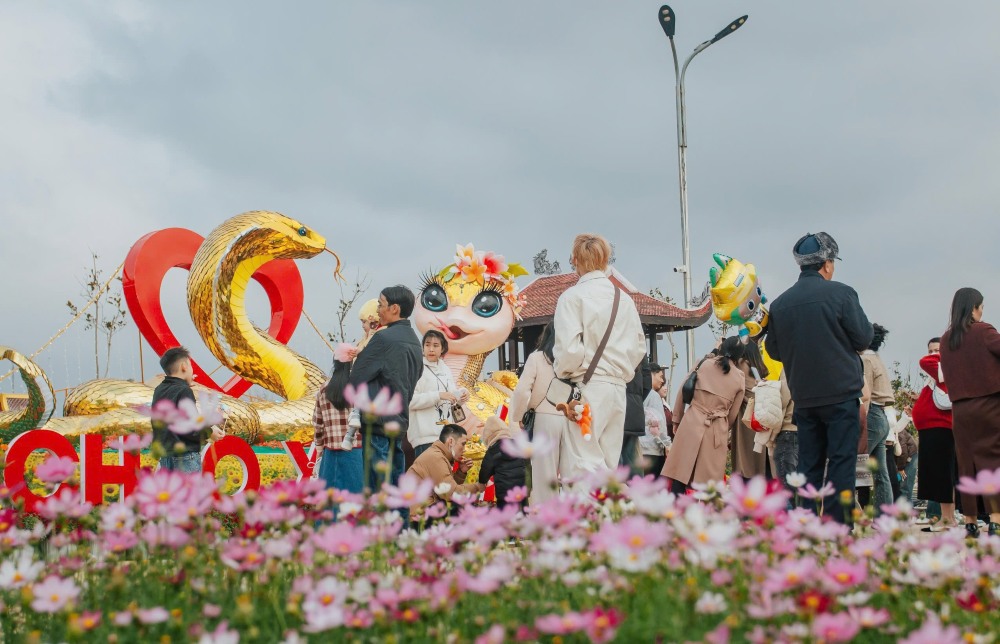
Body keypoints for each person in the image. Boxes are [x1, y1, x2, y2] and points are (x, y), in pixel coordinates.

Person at [765, 232, 873, 524]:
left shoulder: (780, 304)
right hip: (841, 395)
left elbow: (773, 350)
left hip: (804, 398)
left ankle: (809, 526)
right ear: (827, 264)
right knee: (841, 463)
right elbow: (863, 338)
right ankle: (837, 528)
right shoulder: (842, 294)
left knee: (809, 465)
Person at [552, 234, 646, 479]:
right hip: (618, 389)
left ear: (575, 260)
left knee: (583, 465)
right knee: (608, 465)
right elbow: (639, 348)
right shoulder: (624, 300)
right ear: (605, 260)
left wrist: (563, 371)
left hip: (588, 387)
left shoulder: (571, 297)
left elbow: (569, 351)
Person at [346, 285, 423, 491]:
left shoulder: (383, 338)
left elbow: (356, 377)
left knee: (377, 486)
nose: (378, 310)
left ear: (394, 308)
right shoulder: (415, 342)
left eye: (381, 305)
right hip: (400, 421)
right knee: (396, 483)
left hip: (377, 421)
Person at [938, 287, 1000, 538]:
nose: (982, 312)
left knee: (966, 463)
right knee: (992, 461)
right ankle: (995, 520)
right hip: (989, 405)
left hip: (960, 410)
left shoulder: (946, 339)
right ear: (974, 308)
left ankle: (971, 522)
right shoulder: (984, 331)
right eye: (981, 307)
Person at [662, 337, 746, 494]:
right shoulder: (740, 378)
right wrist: (724, 428)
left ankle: (675, 505)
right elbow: (733, 414)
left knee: (680, 473)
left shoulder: (703, 364)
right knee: (708, 483)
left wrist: (677, 419)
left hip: (692, 420)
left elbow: (682, 391)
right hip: (716, 428)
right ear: (739, 356)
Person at [508, 323, 572, 503]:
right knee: (570, 472)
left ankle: (548, 515)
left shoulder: (536, 358)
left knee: (545, 474)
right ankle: (573, 513)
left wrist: (519, 416)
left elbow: (522, 391)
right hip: (570, 418)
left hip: (544, 418)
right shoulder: (573, 361)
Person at [151, 346, 223, 473]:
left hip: (166, 457)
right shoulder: (184, 390)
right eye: (191, 366)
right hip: (185, 458)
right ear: (184, 366)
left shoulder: (159, 390)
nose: (192, 370)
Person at [913, 337, 958, 530]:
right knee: (940, 475)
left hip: (940, 429)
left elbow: (925, 361)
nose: (933, 354)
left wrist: (943, 354)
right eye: (930, 350)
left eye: (937, 350)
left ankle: (947, 519)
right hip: (932, 430)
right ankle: (947, 518)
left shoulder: (945, 368)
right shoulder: (937, 374)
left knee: (943, 475)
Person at [407, 330, 469, 459]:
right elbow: (410, 401)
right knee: (428, 471)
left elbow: (450, 396)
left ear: (442, 349)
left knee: (444, 471)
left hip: (446, 436)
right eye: (427, 345)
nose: (431, 349)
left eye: (435, 345)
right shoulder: (416, 368)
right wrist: (438, 395)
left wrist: (461, 397)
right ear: (422, 347)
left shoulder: (445, 368)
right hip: (425, 438)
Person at [407, 424, 485, 525]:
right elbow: (451, 494)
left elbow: (445, 488)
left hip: (426, 511)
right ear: (451, 441)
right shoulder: (436, 457)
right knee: (468, 510)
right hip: (420, 517)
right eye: (463, 444)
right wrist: (478, 487)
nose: (464, 449)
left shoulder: (438, 454)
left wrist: (461, 472)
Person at [313, 350, 363, 493]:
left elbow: (317, 424)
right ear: (351, 363)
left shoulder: (323, 389)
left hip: (330, 453)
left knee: (330, 499)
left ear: (334, 363)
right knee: (355, 497)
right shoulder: (358, 388)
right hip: (355, 451)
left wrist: (319, 449)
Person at [858, 324, 894, 515]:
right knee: (881, 473)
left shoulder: (865, 360)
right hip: (882, 415)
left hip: (871, 414)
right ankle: (884, 516)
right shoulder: (877, 358)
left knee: (854, 463)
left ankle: (848, 509)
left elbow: (866, 394)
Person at [731, 341, 771, 480]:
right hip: (762, 415)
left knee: (746, 461)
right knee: (761, 460)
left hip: (747, 416)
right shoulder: (758, 367)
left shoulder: (741, 364)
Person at [477, 417, 527, 510]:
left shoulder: (492, 450)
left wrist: (482, 482)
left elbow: (485, 470)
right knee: (522, 509)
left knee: (505, 512)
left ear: (488, 435)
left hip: (504, 492)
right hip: (521, 487)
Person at [621, 357, 653, 476]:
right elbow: (647, 385)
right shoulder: (639, 349)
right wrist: (636, 401)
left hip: (612, 409)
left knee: (612, 463)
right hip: (633, 413)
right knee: (632, 463)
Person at [639, 363, 671, 477]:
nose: (662, 380)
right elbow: (658, 423)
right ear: (651, 374)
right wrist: (667, 444)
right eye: (660, 376)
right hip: (653, 450)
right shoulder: (653, 395)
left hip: (639, 448)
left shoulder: (638, 393)